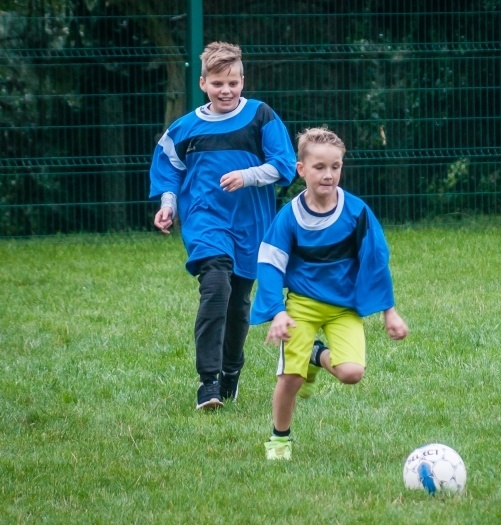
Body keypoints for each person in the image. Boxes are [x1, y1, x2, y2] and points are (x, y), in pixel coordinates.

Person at [149, 41, 296, 410]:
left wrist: (247, 176)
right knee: (216, 285)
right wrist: (168, 204)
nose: (226, 90)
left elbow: (285, 166)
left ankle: (231, 372)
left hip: (251, 222)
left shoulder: (261, 116)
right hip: (205, 219)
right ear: (203, 83)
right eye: (217, 83)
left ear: (243, 81)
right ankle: (208, 383)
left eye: (232, 82)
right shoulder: (184, 129)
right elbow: (169, 168)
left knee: (239, 303)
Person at [251, 126, 409, 460]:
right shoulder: (289, 216)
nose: (328, 175)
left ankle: (316, 355)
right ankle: (280, 439)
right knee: (291, 377)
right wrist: (278, 311)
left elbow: (376, 261)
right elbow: (269, 263)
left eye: (335, 167)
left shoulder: (357, 212)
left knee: (352, 373)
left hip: (343, 307)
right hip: (302, 306)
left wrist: (389, 311)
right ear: (301, 170)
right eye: (319, 167)